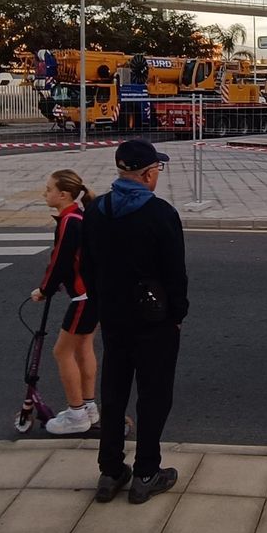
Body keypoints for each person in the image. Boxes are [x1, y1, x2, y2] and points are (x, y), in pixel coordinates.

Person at [83, 139, 189, 505]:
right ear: (146, 174)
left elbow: (88, 266)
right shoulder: (161, 214)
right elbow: (175, 274)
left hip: (114, 317)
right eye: (157, 169)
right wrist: (177, 315)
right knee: (154, 394)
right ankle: (146, 472)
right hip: (154, 320)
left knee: (114, 392)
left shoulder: (96, 210)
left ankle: (111, 470)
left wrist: (99, 306)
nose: (158, 175)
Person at [29, 169, 99, 435]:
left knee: (62, 352)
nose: (44, 193)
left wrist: (44, 290)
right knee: (83, 349)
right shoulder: (80, 216)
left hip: (83, 297)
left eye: (49, 189)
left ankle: (76, 414)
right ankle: (89, 407)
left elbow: (59, 260)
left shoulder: (69, 221)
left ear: (64, 195)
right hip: (94, 294)